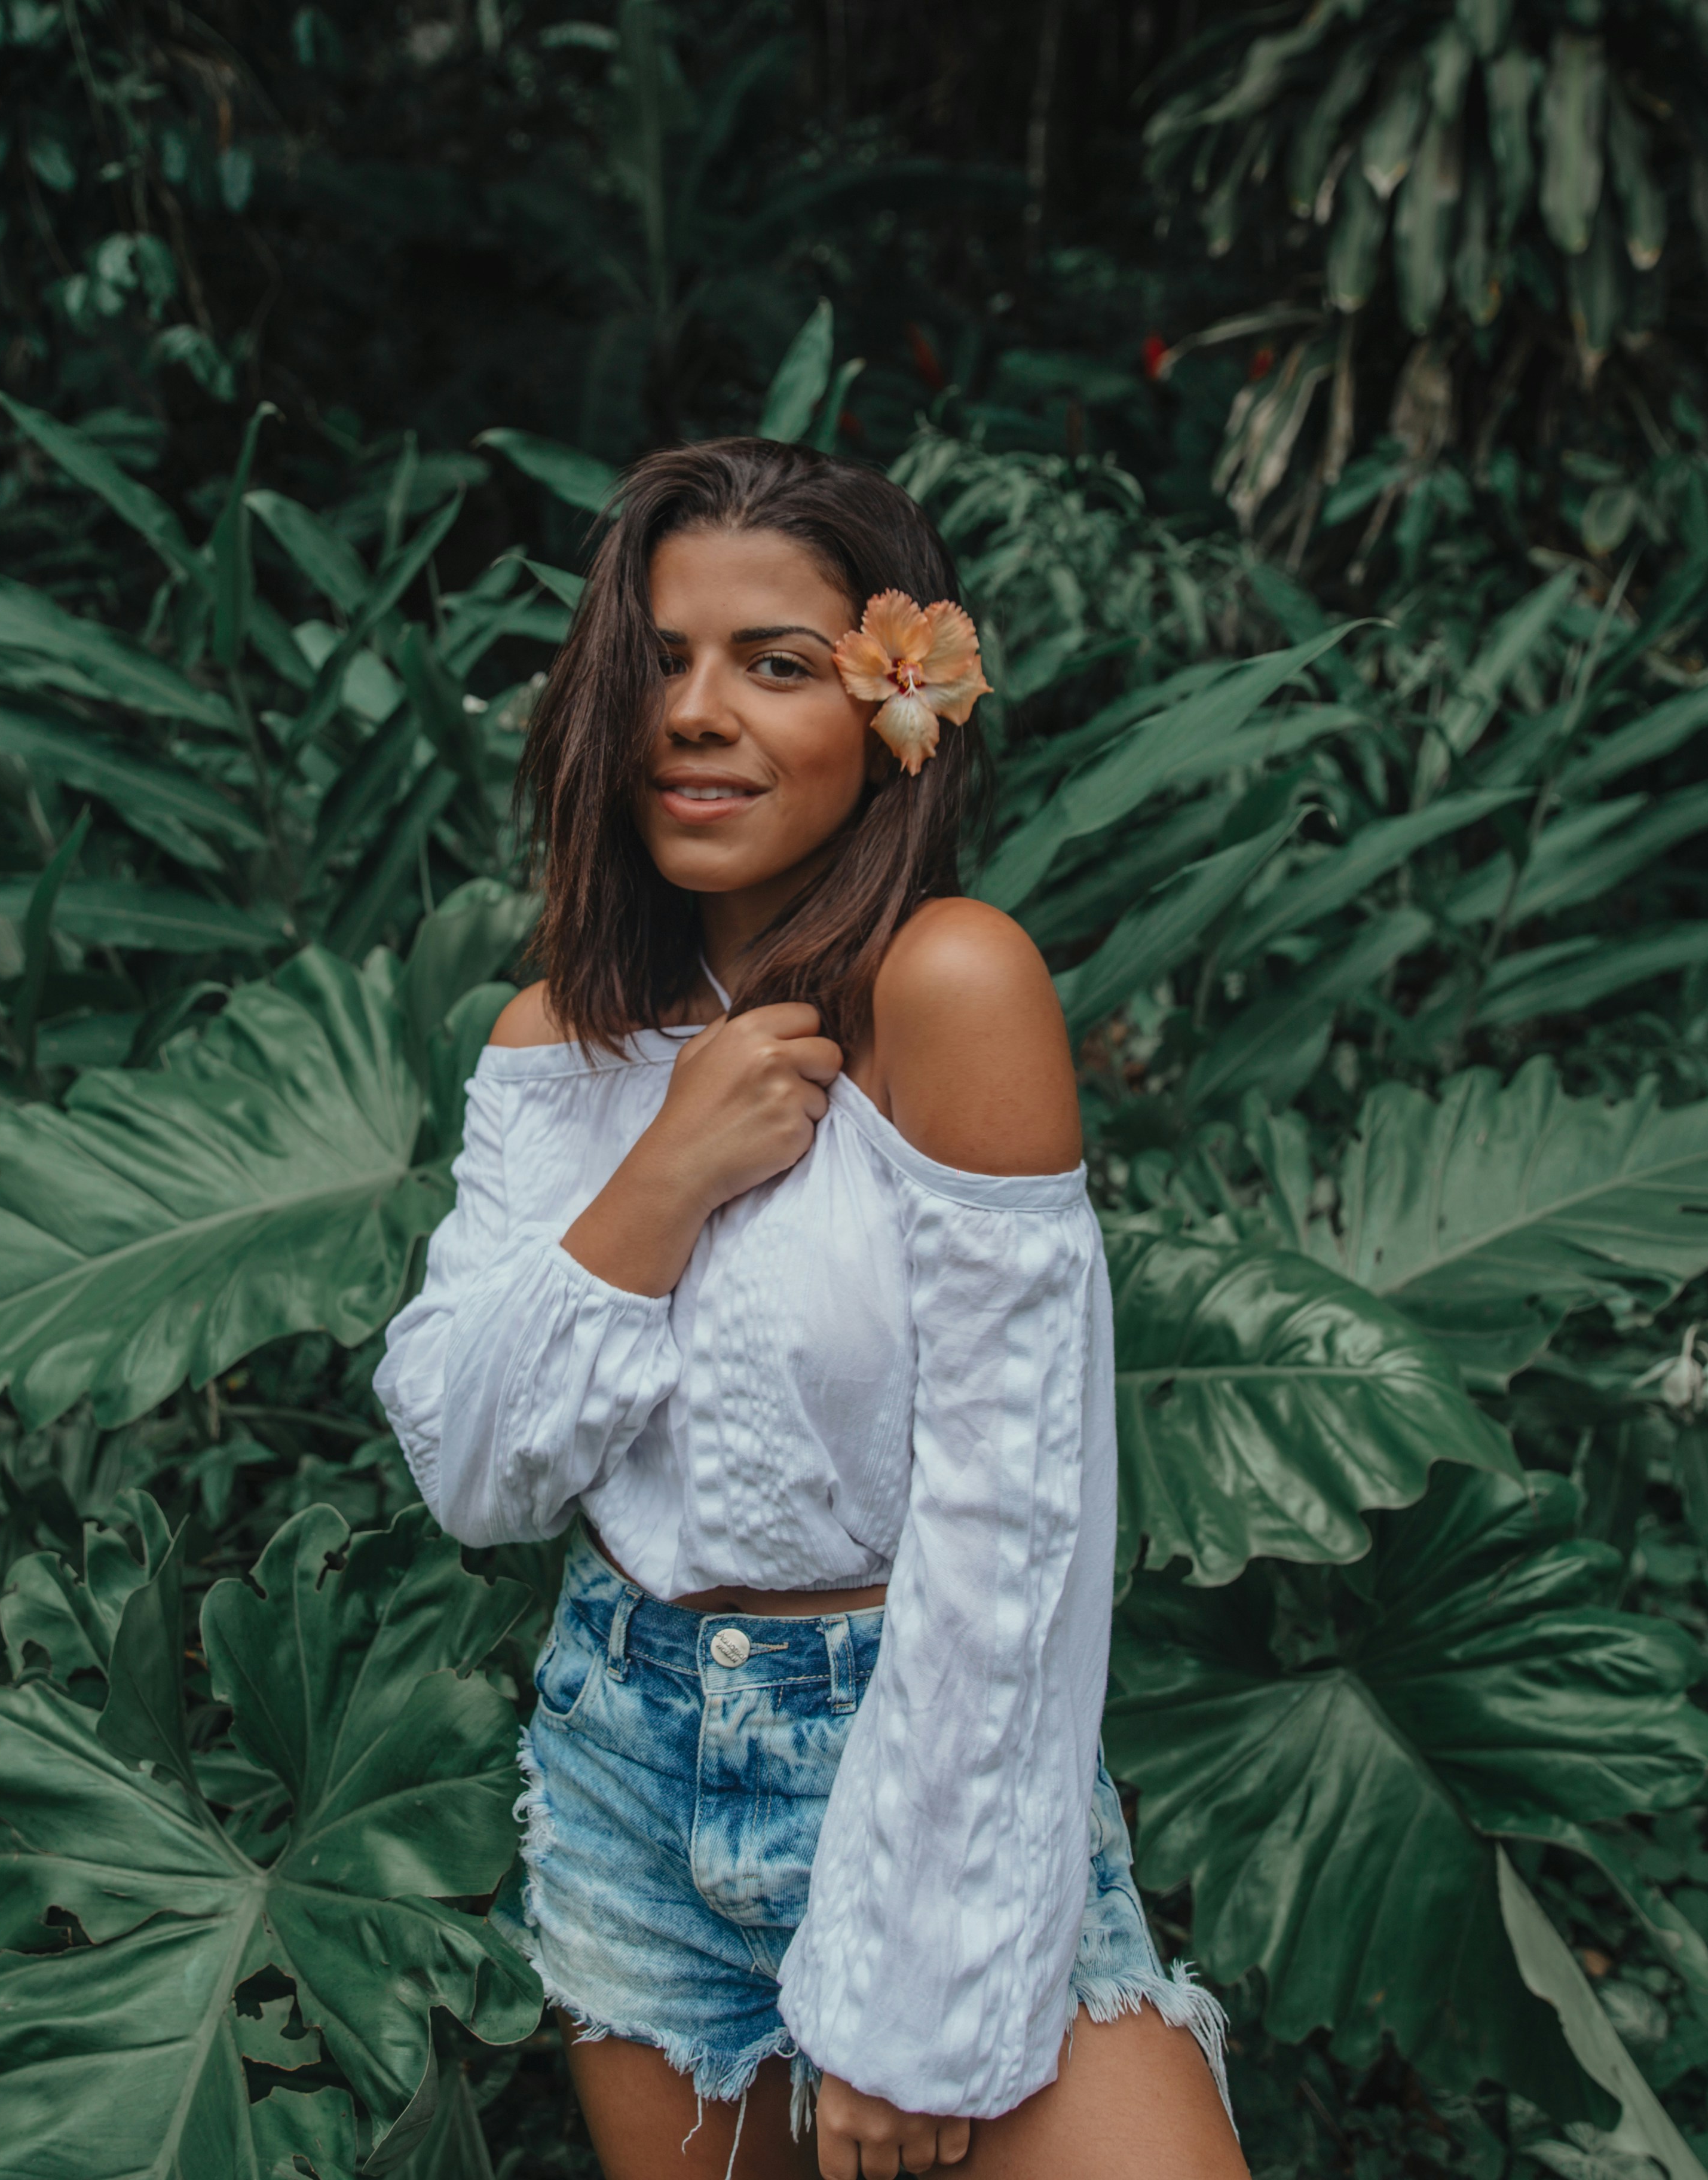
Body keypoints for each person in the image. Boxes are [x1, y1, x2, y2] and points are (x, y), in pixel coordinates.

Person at [374, 437, 1245, 2180]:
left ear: (894, 711)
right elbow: (473, 1472)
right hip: (631, 1766)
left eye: (775, 664)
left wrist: (919, 1997)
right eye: (663, 663)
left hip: (923, 1750)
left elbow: (1019, 1521)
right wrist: (662, 1183)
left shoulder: (953, 984)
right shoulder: (557, 1048)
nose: (697, 713)